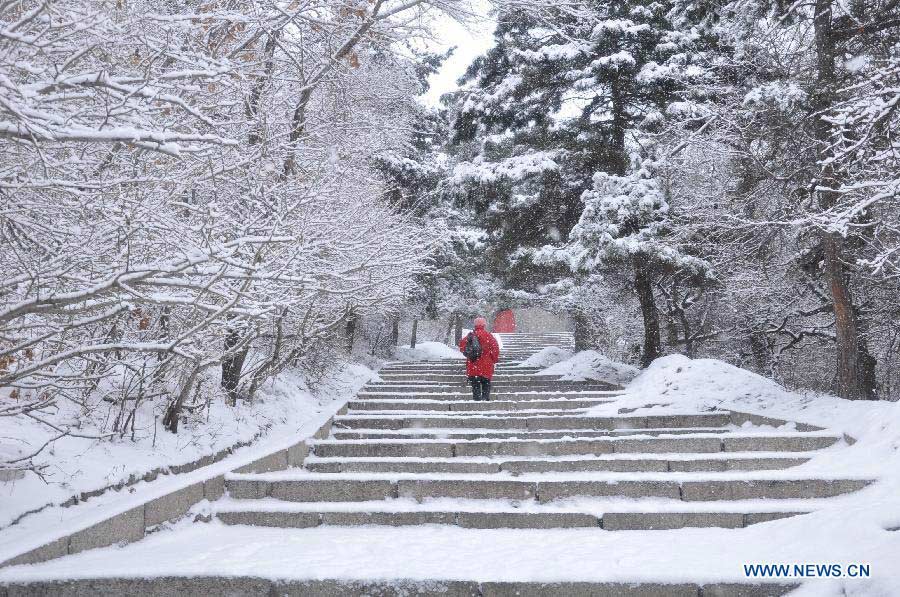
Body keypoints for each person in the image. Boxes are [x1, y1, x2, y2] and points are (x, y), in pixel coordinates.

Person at [458, 317, 500, 401]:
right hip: (486, 366)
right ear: (484, 325)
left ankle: (477, 403)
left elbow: (462, 347)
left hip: (473, 365)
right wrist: (493, 360)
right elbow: (495, 349)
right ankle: (485, 401)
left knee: (475, 386)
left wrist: (471, 354)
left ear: (475, 325)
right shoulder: (488, 336)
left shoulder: (470, 336)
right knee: (486, 385)